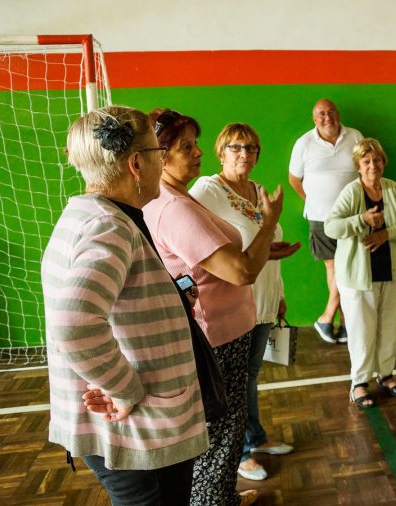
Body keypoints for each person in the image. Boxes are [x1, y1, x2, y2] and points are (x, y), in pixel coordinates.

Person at [43, 105, 208, 505]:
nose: (163, 162)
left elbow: (116, 301)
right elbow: (76, 322)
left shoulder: (91, 215)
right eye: (159, 153)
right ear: (136, 163)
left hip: (133, 426)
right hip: (133, 424)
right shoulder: (109, 227)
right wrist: (124, 388)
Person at [144, 109, 284, 506]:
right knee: (219, 437)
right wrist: (270, 221)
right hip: (216, 336)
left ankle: (223, 497)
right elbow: (240, 271)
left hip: (224, 329)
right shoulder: (175, 206)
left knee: (224, 431)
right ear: (160, 155)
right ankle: (213, 500)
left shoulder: (176, 196)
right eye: (186, 146)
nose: (197, 152)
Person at [190, 123, 301, 483]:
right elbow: (197, 243)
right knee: (234, 383)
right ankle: (237, 453)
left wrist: (280, 292)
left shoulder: (257, 191)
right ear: (220, 151)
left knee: (249, 377)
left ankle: (255, 438)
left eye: (252, 148)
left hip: (264, 298)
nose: (245, 154)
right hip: (232, 303)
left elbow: (265, 246)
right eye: (236, 147)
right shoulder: (207, 190)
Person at [324, 138, 396, 408]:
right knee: (361, 331)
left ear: (383, 162)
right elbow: (332, 227)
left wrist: (387, 233)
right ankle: (359, 383)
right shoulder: (352, 192)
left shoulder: (394, 189)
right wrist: (361, 221)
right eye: (366, 161)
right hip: (358, 277)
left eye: (376, 160)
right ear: (358, 165)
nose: (372, 165)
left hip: (391, 273)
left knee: (389, 327)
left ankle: (386, 375)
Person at [288, 99, 364, 345]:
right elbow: (294, 180)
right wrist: (313, 201)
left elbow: (364, 168)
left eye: (331, 112)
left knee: (348, 267)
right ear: (314, 118)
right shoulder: (304, 143)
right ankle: (342, 321)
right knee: (335, 268)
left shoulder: (355, 136)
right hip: (321, 217)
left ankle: (328, 317)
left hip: (353, 217)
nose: (327, 117)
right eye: (321, 114)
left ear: (338, 113)